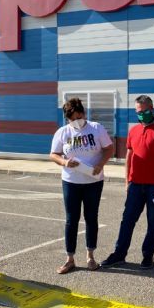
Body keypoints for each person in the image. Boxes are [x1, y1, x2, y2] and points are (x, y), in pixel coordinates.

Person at [101, 95, 154, 269]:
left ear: (152, 109)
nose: (141, 115)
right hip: (135, 185)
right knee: (127, 220)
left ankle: (148, 255)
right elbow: (129, 156)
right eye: (138, 112)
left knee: (153, 221)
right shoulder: (133, 131)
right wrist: (127, 181)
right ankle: (119, 254)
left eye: (144, 111)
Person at [50, 97, 114, 274]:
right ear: (67, 118)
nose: (76, 122)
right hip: (71, 182)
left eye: (79, 117)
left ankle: (90, 257)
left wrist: (100, 164)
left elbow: (109, 148)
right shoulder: (62, 132)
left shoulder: (96, 128)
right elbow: (53, 154)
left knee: (91, 217)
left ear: (84, 114)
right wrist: (64, 162)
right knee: (71, 220)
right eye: (72, 119)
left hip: (93, 181)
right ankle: (70, 259)